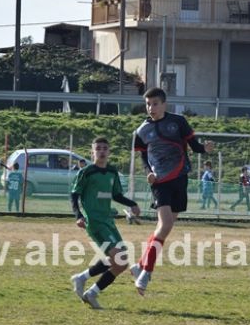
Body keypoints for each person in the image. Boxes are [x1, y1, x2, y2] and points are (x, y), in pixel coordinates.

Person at [129, 87, 214, 295]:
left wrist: (205, 149)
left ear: (164, 104)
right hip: (160, 181)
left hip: (180, 178)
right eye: (148, 104)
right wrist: (149, 172)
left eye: (155, 104)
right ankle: (146, 273)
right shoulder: (141, 131)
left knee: (164, 227)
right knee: (165, 224)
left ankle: (140, 264)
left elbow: (194, 146)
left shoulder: (178, 121)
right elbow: (143, 156)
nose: (151, 108)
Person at [69, 137, 140, 309]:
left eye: (104, 148)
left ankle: (89, 288)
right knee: (118, 256)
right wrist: (78, 215)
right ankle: (85, 283)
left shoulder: (112, 172)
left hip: (108, 221)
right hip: (94, 221)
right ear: (92, 152)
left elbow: (116, 195)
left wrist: (133, 204)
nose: (101, 151)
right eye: (98, 148)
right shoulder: (86, 172)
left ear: (109, 152)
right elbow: (74, 194)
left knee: (120, 263)